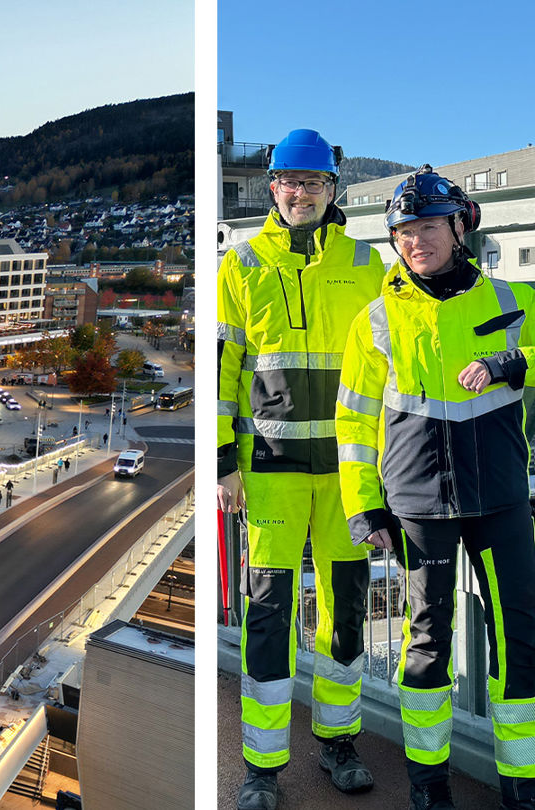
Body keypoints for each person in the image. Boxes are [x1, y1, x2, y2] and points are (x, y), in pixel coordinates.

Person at [337, 167, 535, 810]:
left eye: (427, 227)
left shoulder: (511, 299)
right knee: (425, 640)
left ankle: (523, 785)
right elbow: (354, 422)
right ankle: (428, 787)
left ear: (459, 227)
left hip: (501, 497)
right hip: (418, 505)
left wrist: (513, 361)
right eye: (403, 231)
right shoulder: (374, 320)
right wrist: (364, 505)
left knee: (520, 637)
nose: (415, 240)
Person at [217, 128, 385, 810]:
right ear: (273, 187)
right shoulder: (242, 263)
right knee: (268, 614)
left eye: (314, 182)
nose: (302, 193)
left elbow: (392, 364)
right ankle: (262, 767)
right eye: (291, 181)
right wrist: (224, 462)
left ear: (332, 188)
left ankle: (339, 742)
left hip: (348, 472)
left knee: (346, 611)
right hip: (271, 471)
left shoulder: (368, 264)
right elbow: (224, 369)